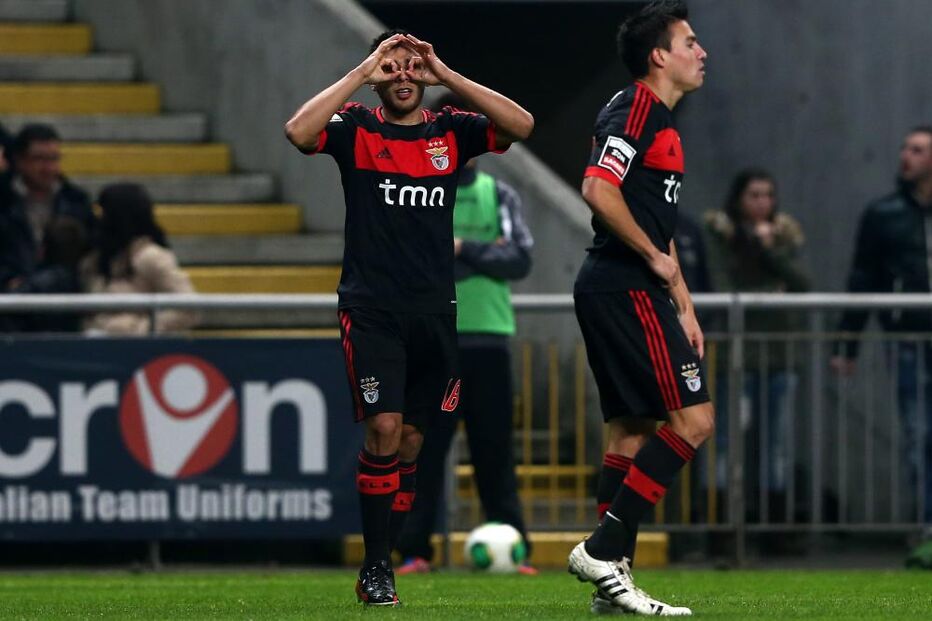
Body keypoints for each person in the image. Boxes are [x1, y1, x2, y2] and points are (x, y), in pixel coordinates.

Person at [284, 31, 532, 606]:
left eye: (410, 67)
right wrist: (360, 71)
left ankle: (385, 557)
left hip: (436, 312)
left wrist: (445, 73)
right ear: (376, 76)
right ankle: (377, 567)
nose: (402, 76)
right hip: (372, 308)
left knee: (414, 441)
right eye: (390, 67)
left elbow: (521, 125)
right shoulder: (355, 127)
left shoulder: (450, 131)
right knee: (385, 429)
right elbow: (298, 132)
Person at [568, 1, 711, 615]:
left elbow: (654, 221)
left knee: (632, 430)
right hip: (623, 285)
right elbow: (598, 188)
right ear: (659, 56)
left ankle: (611, 585)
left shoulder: (659, 119)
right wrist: (653, 260)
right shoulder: (636, 109)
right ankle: (603, 549)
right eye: (690, 42)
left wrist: (684, 304)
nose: (701, 52)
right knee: (694, 421)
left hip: (625, 286)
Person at [394, 93, 535, 576]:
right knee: (424, 449)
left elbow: (520, 258)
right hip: (435, 339)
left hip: (488, 338)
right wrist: (479, 251)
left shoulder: (500, 194)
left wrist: (461, 248)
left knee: (494, 450)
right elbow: (413, 259)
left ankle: (515, 549)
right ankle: (414, 551)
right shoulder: (419, 189)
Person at [832, 126, 932, 541]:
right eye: (905, 148)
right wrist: (847, 343)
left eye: (917, 149)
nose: (906, 155)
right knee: (918, 434)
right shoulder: (884, 214)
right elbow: (863, 278)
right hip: (908, 338)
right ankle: (928, 524)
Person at [704, 169, 809, 516]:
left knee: (776, 443)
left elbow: (803, 284)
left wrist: (770, 250)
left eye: (768, 195)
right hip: (736, 354)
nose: (763, 203)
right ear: (738, 199)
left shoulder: (783, 236)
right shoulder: (722, 234)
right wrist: (770, 292)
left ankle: (773, 520)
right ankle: (719, 519)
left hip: (779, 353)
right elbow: (722, 288)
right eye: (754, 195)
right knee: (724, 440)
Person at [82, 183, 197, 335]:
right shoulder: (97, 259)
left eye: (105, 214)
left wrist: (140, 330)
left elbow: (188, 308)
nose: (101, 221)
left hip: (139, 346)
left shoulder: (152, 257)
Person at [0, 123, 95, 294]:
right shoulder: (3, 201)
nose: (48, 167)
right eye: (39, 159)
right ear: (20, 160)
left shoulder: (76, 202)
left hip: (66, 297)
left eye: (54, 159)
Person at [5, 215, 88, 333]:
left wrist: (15, 288)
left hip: (33, 341)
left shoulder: (37, 285)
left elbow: (9, 309)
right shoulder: (79, 282)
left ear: (44, 248)